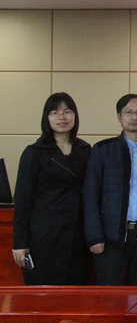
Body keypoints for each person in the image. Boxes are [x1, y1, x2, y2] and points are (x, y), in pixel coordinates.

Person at [83, 94, 137, 286]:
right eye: (128, 112)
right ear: (119, 116)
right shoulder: (102, 150)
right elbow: (90, 196)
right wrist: (94, 236)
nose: (134, 117)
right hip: (110, 240)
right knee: (109, 297)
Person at [12, 92, 91, 285]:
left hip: (77, 235)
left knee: (76, 291)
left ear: (75, 116)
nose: (62, 117)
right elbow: (23, 200)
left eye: (67, 111)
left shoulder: (85, 150)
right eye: (55, 113)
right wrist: (20, 243)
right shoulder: (34, 152)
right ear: (46, 118)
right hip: (44, 235)